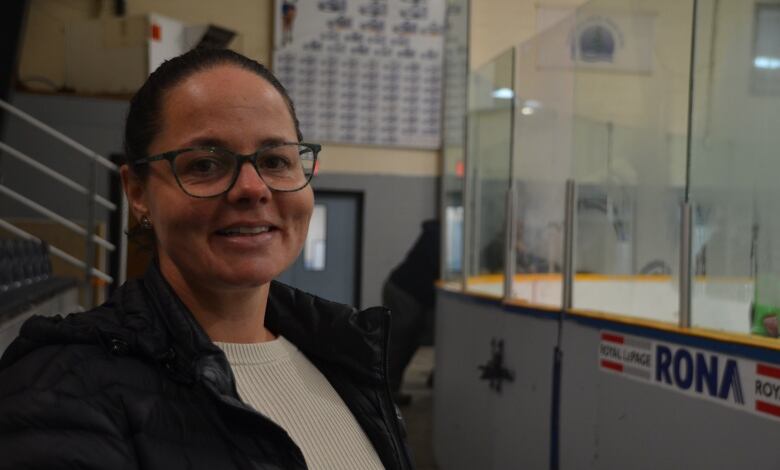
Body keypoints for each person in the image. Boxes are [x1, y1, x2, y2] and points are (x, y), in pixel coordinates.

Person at [0, 48, 412, 469]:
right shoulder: (59, 390)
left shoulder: (343, 355)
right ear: (137, 192)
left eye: (274, 160)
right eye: (206, 164)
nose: (252, 188)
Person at [382, 219, 440, 404]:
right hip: (405, 294)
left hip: (406, 292)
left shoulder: (437, 233)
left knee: (408, 342)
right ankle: (384, 394)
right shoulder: (439, 236)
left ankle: (389, 391)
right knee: (399, 344)